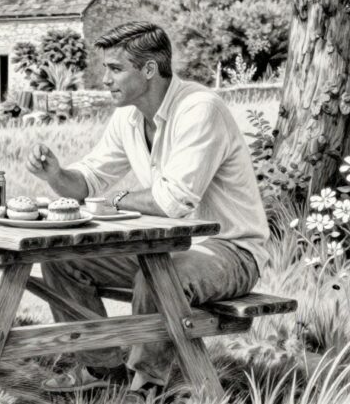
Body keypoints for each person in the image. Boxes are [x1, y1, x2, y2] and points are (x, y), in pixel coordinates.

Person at [26, 22, 269, 399]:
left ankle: (145, 386)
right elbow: (89, 179)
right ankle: (102, 367)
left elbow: (173, 202)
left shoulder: (200, 109)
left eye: (115, 69)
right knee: (62, 260)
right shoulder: (129, 115)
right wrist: (57, 175)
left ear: (150, 69)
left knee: (156, 275)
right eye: (105, 68)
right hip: (164, 248)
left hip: (231, 251)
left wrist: (115, 201)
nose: (105, 79)